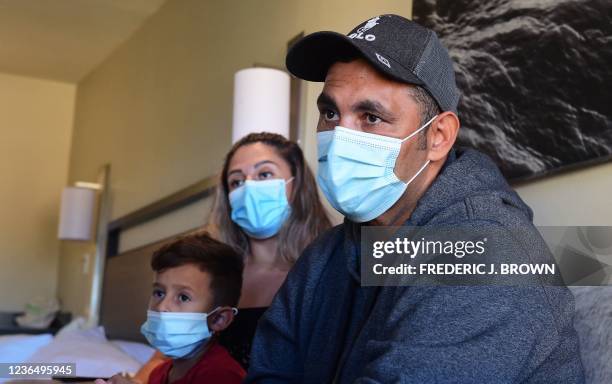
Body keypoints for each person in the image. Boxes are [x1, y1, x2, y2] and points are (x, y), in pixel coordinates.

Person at [245, 14, 585, 383]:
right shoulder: (325, 257)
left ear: (438, 136)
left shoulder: (487, 254)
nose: (339, 136)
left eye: (371, 117)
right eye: (330, 113)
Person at [127, 132, 332, 383]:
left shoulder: (329, 268)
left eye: (264, 174)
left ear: (296, 183)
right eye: (236, 182)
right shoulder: (209, 273)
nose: (248, 188)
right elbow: (163, 359)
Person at [98, 233, 245, 384]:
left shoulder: (221, 375)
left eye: (183, 297)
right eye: (159, 293)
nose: (162, 307)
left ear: (219, 319)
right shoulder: (158, 374)